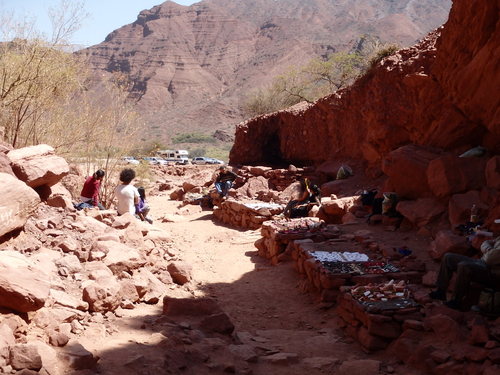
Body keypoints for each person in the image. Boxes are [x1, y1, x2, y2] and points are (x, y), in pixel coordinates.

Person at [429, 236, 500, 310]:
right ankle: (440, 291)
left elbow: (490, 259)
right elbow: (487, 243)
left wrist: (487, 248)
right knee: (448, 257)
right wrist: (490, 249)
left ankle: (456, 301)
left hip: (492, 272)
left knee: (464, 266)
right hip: (482, 262)